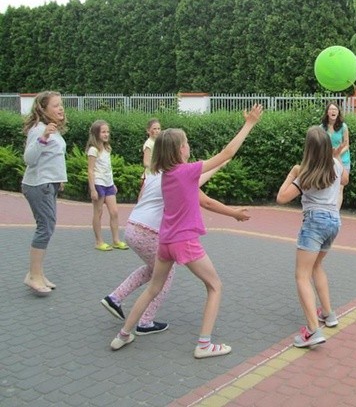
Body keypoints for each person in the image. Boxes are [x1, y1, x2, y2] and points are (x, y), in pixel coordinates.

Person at [110, 104, 263, 358]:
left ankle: (123, 335)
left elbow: (205, 198)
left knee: (153, 288)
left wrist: (234, 213)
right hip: (184, 242)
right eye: (187, 143)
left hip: (165, 242)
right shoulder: (186, 171)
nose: (189, 146)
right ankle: (204, 344)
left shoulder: (166, 175)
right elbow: (227, 153)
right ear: (181, 149)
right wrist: (249, 124)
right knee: (215, 286)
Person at [101, 165, 250, 335]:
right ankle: (145, 321)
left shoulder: (156, 172)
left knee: (153, 270)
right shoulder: (178, 176)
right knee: (164, 276)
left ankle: (115, 299)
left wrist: (220, 165)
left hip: (133, 225)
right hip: (151, 230)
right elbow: (205, 200)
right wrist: (234, 213)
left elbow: (196, 180)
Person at [277, 126, 347, 348]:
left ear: (308, 149)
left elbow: (281, 198)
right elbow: (344, 180)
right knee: (316, 267)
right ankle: (328, 313)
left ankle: (312, 330)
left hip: (315, 223)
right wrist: (337, 158)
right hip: (334, 223)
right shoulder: (335, 165)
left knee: (301, 276)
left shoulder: (305, 174)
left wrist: (292, 173)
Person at [21, 91, 68, 296]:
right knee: (45, 228)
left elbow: (54, 158)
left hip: (49, 185)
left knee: (47, 227)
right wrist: (43, 137)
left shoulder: (52, 129)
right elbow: (29, 159)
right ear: (43, 108)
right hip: (38, 185)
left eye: (61, 105)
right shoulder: (39, 130)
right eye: (56, 105)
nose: (61, 108)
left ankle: (37, 273)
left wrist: (60, 180)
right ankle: (33, 275)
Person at [86, 120, 128, 251]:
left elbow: (108, 168)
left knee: (114, 212)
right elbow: (90, 170)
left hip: (109, 184)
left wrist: (113, 183)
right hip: (98, 184)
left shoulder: (107, 148)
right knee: (98, 213)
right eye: (103, 132)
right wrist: (93, 189)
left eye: (107, 132)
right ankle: (99, 241)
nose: (106, 134)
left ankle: (116, 240)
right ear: (96, 133)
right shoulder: (93, 150)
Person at [320, 102, 350, 209]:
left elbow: (346, 145)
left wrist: (337, 153)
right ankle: (325, 207)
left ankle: (335, 211)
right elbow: (320, 145)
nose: (333, 111)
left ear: (338, 112)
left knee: (340, 186)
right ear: (327, 112)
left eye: (335, 110)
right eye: (331, 109)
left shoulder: (343, 127)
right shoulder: (321, 128)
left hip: (342, 160)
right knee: (327, 185)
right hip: (327, 160)